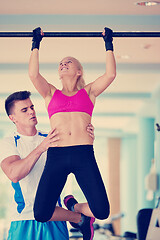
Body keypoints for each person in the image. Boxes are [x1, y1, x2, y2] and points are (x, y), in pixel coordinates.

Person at [29, 26, 116, 229]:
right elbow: (34, 75)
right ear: (58, 74)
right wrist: (35, 44)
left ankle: (74, 206)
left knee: (102, 211)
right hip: (57, 155)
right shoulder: (50, 93)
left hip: (83, 154)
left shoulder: (89, 92)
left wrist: (108, 43)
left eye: (68, 62)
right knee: (41, 213)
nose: (63, 64)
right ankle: (79, 219)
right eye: (60, 63)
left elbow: (110, 75)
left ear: (79, 71)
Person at [0, 91, 96, 240]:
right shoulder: (9, 142)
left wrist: (87, 139)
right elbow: (14, 174)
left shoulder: (52, 138)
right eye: (24, 110)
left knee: (100, 210)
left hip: (54, 218)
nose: (32, 111)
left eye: (32, 107)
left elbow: (78, 159)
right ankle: (78, 217)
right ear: (12, 118)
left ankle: (77, 214)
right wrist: (40, 148)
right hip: (23, 219)